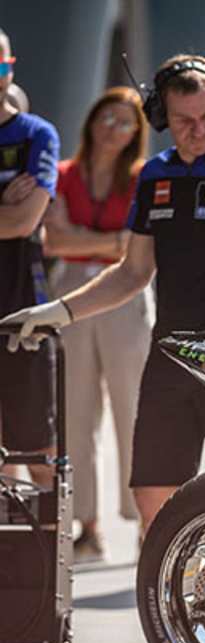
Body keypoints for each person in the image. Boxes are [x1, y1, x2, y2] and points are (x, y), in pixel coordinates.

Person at [2, 54, 205, 643]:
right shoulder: (156, 175)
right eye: (183, 119)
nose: (197, 129)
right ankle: (176, 628)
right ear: (162, 116)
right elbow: (133, 272)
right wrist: (59, 312)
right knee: (154, 497)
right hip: (170, 356)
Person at [42, 86, 151, 563]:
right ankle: (88, 524)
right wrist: (108, 242)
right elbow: (51, 239)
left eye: (125, 121)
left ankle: (148, 518)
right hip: (70, 291)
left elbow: (135, 251)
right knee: (76, 409)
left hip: (126, 297)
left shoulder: (143, 177)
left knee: (133, 408)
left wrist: (84, 239)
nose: (114, 128)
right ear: (91, 121)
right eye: (107, 117)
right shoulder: (65, 174)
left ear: (136, 132)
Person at [0, 28, 60, 491]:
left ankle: (48, 560)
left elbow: (24, 222)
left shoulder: (36, 134)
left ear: (10, 68)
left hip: (21, 307)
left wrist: (16, 211)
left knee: (36, 446)